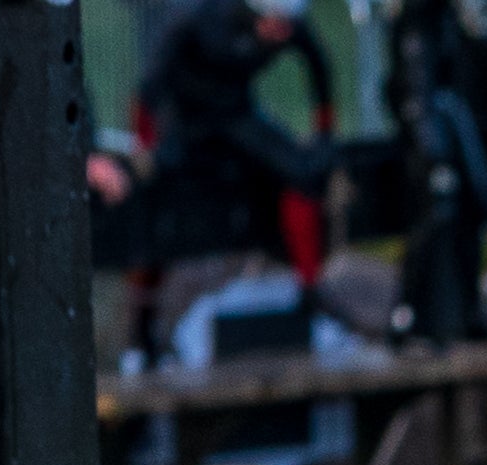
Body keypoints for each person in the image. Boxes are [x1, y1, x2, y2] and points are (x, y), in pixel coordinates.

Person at [129, 0, 339, 362]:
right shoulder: (202, 21)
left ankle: (310, 296)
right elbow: (149, 86)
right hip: (186, 121)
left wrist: (323, 133)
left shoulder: (291, 26)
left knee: (303, 174)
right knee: (155, 205)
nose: (281, 34)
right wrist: (146, 145)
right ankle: (142, 329)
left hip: (237, 116)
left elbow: (319, 68)